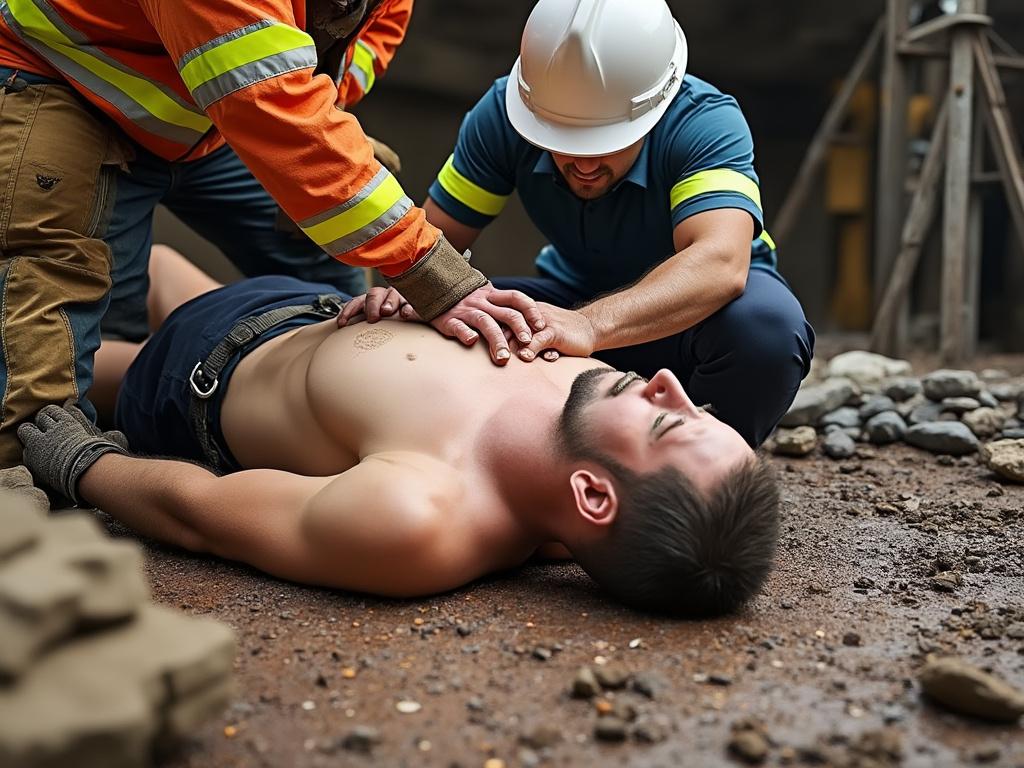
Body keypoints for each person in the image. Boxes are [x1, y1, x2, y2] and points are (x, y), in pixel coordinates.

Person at [18, 246, 779, 616]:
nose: (668, 385)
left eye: (667, 424)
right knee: (149, 259)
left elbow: (208, 516)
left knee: (53, 350)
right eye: (696, 409)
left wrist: (82, 463)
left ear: (593, 495)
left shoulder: (421, 517)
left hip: (197, 375)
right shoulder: (586, 390)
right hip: (311, 306)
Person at [0, 0, 541, 467]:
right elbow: (268, 102)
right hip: (72, 80)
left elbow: (374, 22)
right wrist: (438, 278)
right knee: (56, 303)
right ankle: (34, 472)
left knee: (329, 242)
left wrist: (321, 113)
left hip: (213, 114)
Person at [351, 0, 814, 448]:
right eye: (561, 139)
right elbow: (432, 248)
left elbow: (719, 263)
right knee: (446, 317)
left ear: (652, 110)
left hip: (694, 319)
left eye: (606, 142)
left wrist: (590, 325)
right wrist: (406, 294)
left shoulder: (705, 122)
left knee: (767, 334)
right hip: (571, 302)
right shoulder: (501, 116)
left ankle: (699, 477)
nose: (584, 164)